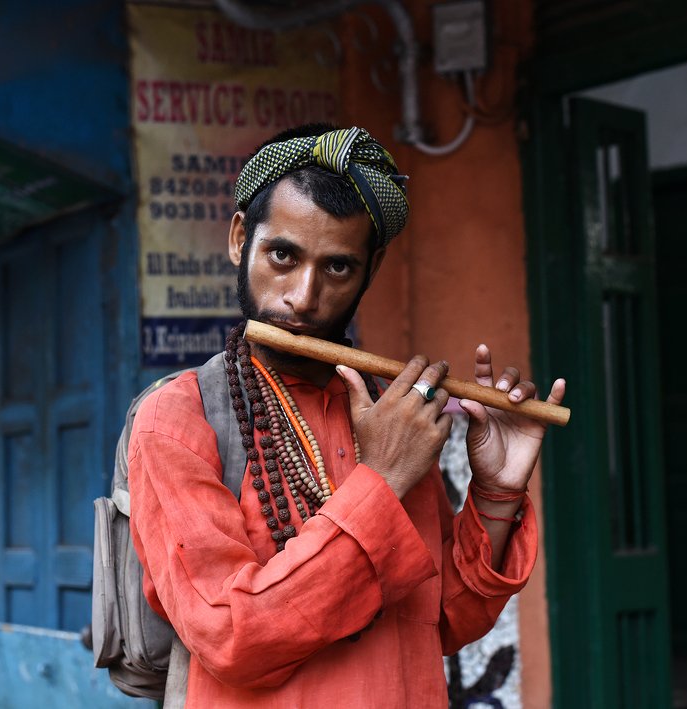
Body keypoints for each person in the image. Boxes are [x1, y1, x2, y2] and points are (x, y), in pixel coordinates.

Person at [128, 124, 566, 708]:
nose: (303, 297)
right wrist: (381, 481)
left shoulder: (391, 415)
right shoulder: (176, 419)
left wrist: (497, 493)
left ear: (370, 268)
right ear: (240, 239)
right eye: (282, 255)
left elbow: (442, 619)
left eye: (337, 268)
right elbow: (233, 635)